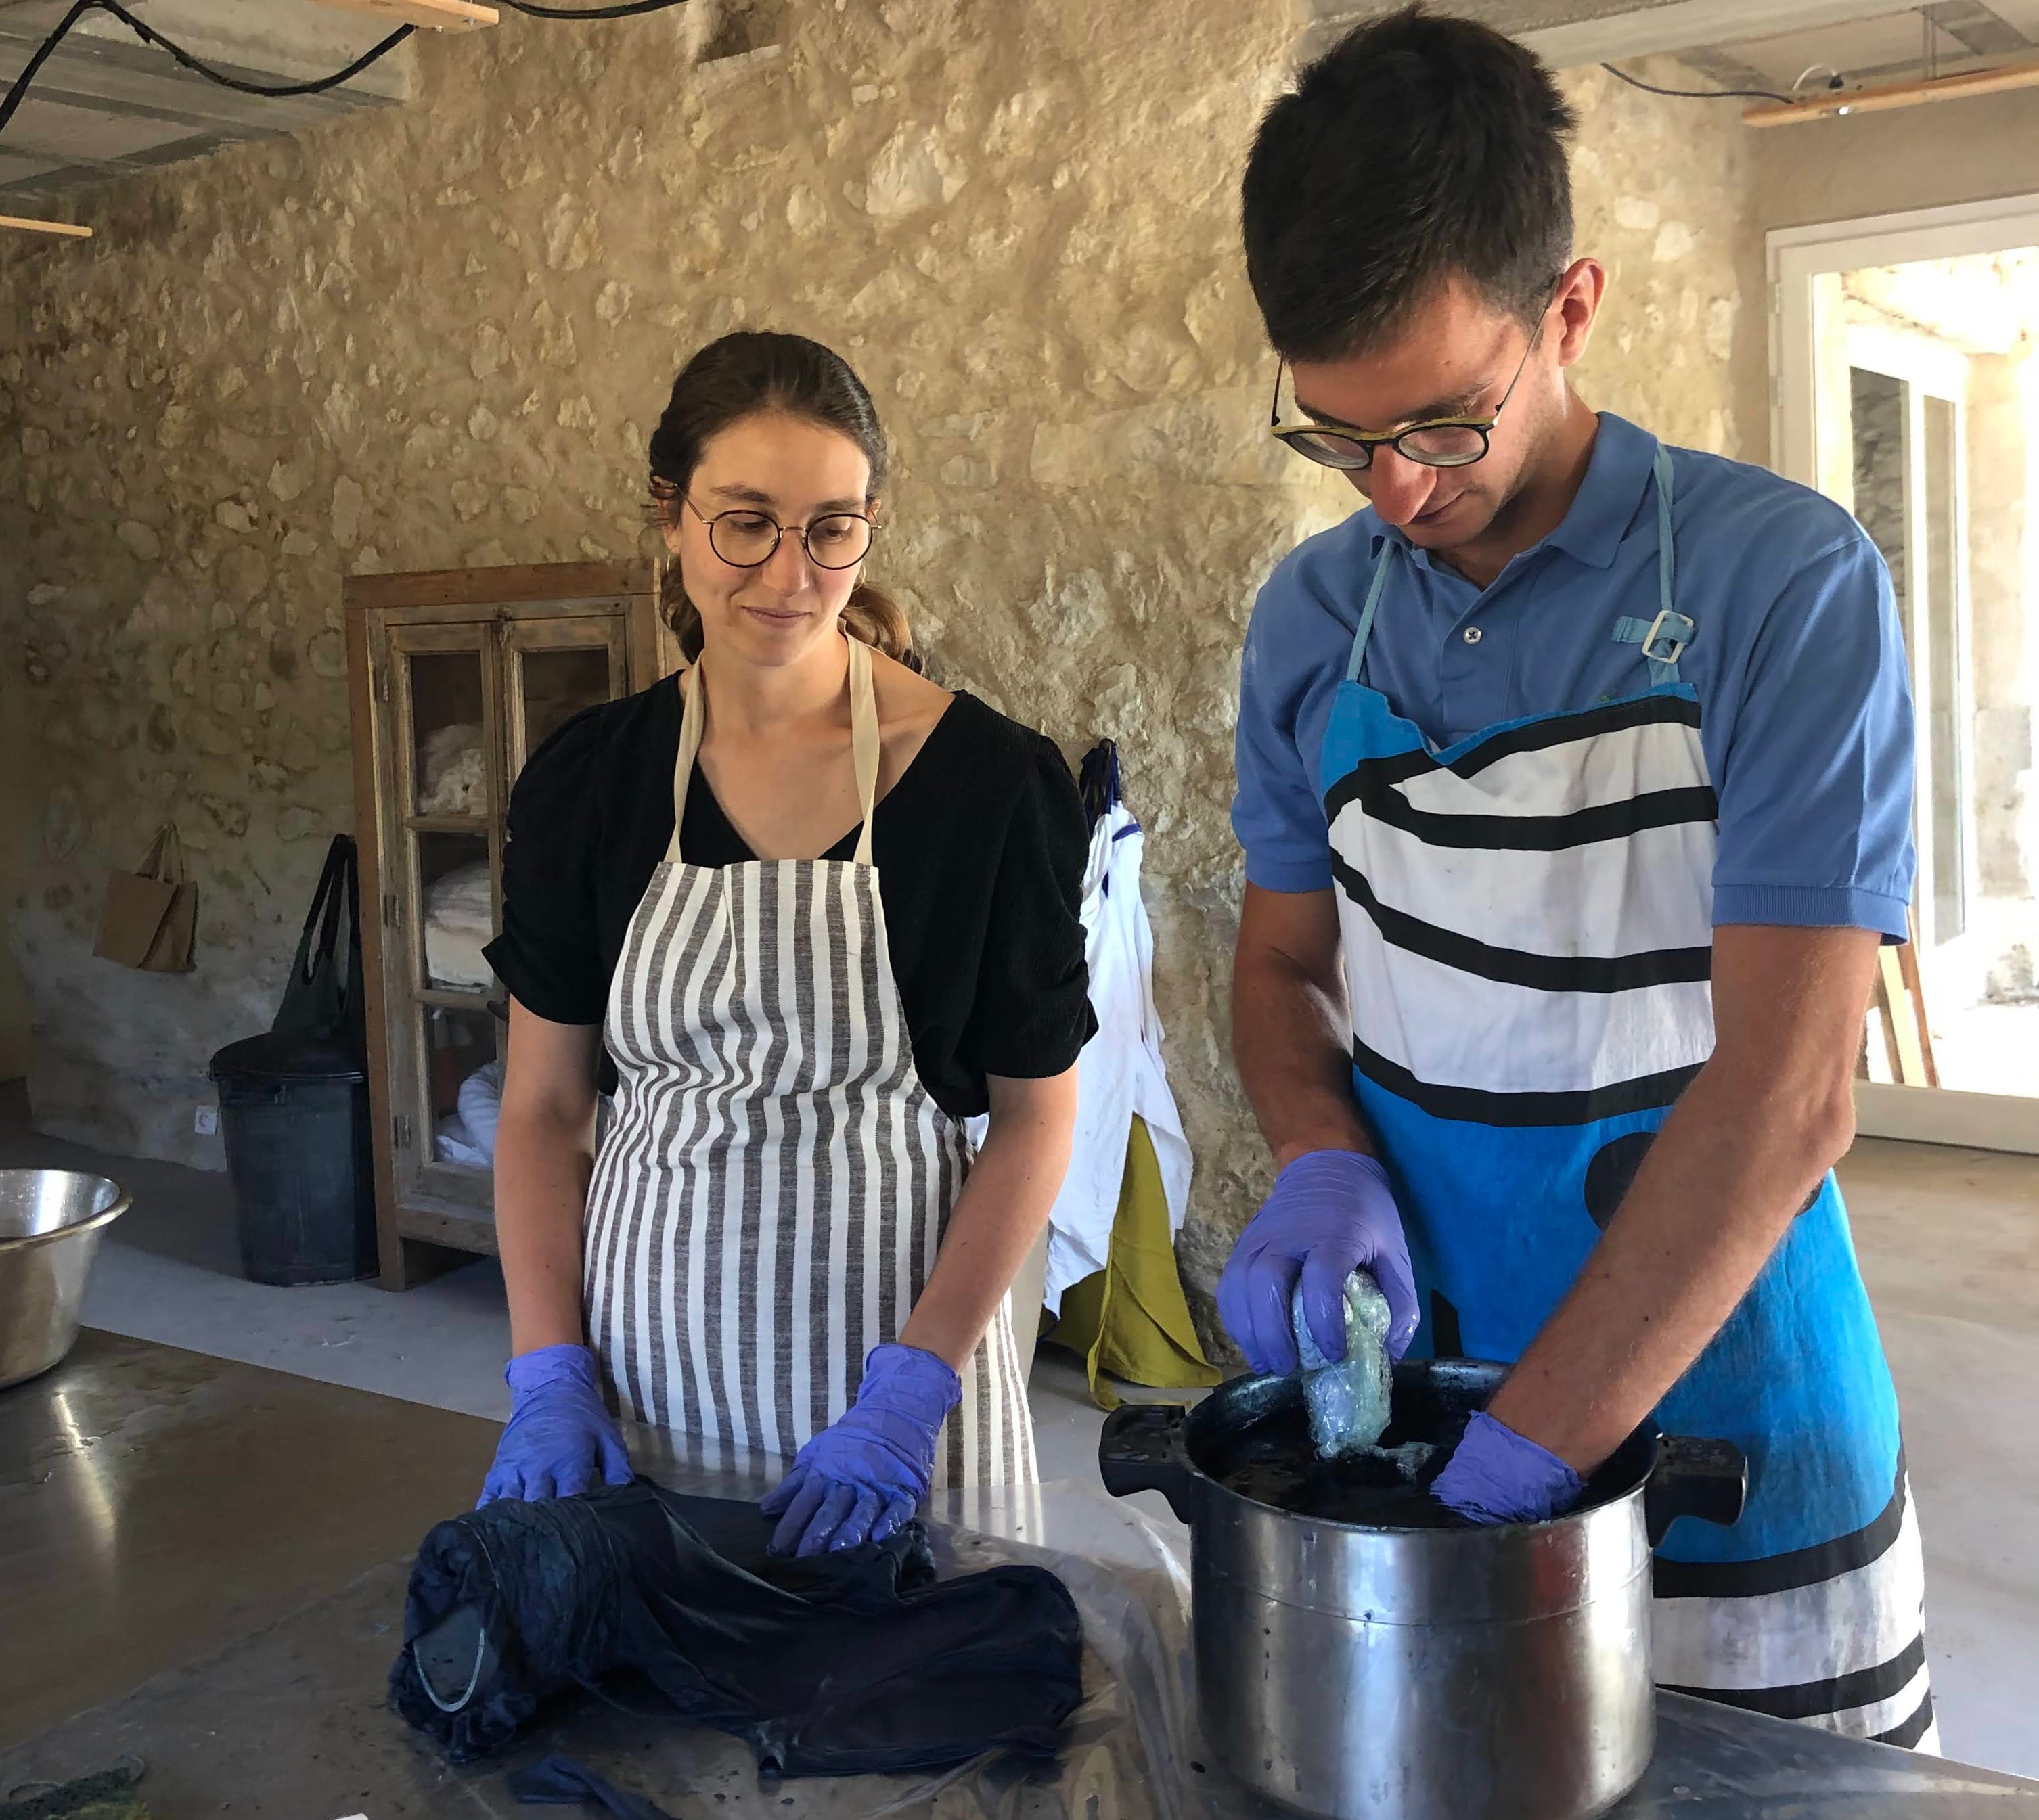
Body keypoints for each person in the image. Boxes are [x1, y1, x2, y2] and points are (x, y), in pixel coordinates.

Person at [1220, 8, 1933, 1749]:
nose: (1394, 488)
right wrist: (1318, 1153)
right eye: (1337, 436)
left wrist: (1537, 1458)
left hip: (1733, 1445)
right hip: (1420, 1382)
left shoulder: (1786, 591)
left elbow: (1788, 1093)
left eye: (1446, 426)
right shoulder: (1315, 626)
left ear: (1571, 308)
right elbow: (1281, 966)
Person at [474, 332, 1092, 1557]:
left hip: (901, 1395)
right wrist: (549, 1371)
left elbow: (1034, 1117)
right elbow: (543, 1106)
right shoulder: (589, 781)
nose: (789, 573)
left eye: (830, 526)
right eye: (744, 521)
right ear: (671, 516)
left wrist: (911, 1390)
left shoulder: (989, 783)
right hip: (640, 1390)